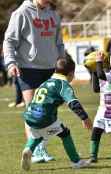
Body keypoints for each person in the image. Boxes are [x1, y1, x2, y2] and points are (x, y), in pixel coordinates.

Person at [3, 0, 65, 162]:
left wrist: (61, 63)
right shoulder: (21, 13)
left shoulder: (53, 14)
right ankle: (36, 150)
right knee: (34, 112)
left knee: (49, 113)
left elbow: (59, 43)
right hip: (28, 68)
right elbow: (9, 40)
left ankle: (41, 148)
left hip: (51, 69)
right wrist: (11, 63)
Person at [20, 57, 93, 171]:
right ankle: (77, 161)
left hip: (30, 115)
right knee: (65, 133)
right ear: (71, 74)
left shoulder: (46, 82)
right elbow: (73, 103)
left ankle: (28, 149)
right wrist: (84, 118)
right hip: (44, 117)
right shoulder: (63, 84)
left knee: (38, 135)